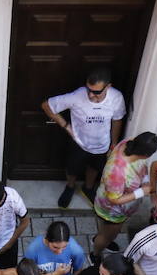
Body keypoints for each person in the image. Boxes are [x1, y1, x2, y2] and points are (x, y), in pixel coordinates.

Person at [42, 67, 127, 207]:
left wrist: (114, 143)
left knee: (94, 167)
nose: (91, 95)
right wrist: (66, 126)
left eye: (97, 92)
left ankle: (87, 188)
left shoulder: (116, 97)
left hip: (102, 144)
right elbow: (46, 106)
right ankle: (70, 187)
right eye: (89, 90)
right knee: (72, 168)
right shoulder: (77, 96)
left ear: (108, 87)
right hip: (79, 142)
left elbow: (117, 120)